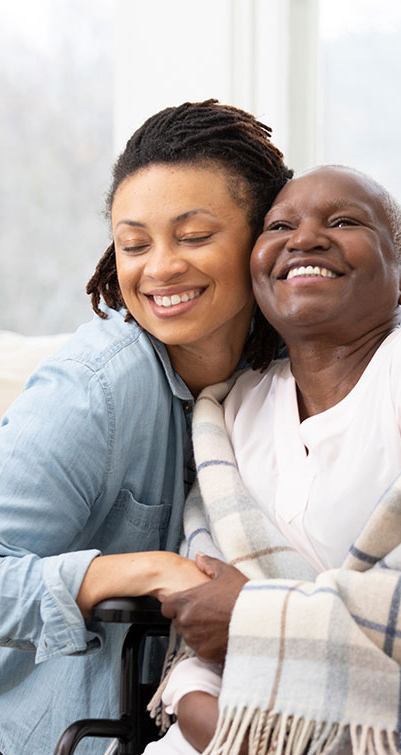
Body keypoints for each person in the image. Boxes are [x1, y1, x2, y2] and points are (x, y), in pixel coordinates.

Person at [155, 166, 401, 754]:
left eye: (343, 222)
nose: (304, 239)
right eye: (281, 226)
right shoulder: (234, 410)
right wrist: (214, 720)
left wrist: (253, 614)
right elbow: (201, 626)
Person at [0, 100, 292, 755]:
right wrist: (142, 569)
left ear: (264, 236)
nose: (158, 268)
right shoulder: (98, 385)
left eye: (192, 237)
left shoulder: (288, 373)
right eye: (134, 244)